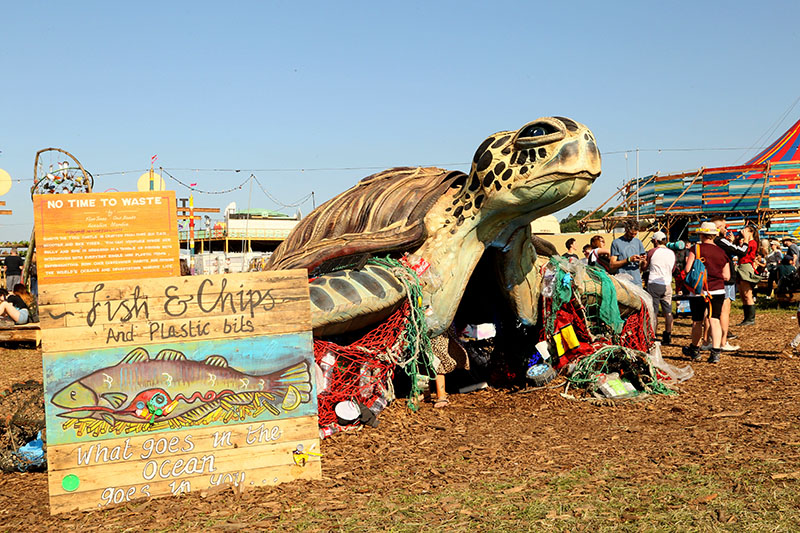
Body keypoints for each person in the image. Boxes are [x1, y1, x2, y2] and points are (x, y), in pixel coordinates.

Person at [681, 222, 730, 364]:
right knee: (714, 320)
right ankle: (715, 353)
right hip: (718, 290)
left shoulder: (696, 248)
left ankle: (695, 351)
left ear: (701, 234)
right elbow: (726, 276)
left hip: (699, 290)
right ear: (714, 235)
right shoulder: (722, 252)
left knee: (697, 321)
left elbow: (687, 269)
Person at [711, 217, 745, 351]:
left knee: (711, 312)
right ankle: (723, 342)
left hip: (712, 280)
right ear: (718, 228)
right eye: (725, 226)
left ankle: (708, 340)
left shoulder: (707, 243)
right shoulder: (720, 240)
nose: (727, 229)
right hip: (726, 278)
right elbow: (740, 251)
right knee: (724, 311)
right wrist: (746, 241)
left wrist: (730, 242)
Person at [644, 231, 675, 345]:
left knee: (654, 312)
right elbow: (673, 268)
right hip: (667, 283)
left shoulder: (652, 251)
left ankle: (653, 335)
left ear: (656, 241)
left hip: (654, 283)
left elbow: (644, 266)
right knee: (668, 311)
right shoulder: (671, 253)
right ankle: (668, 334)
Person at [429, 325, 469, 408]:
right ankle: (424, 392)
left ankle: (441, 395)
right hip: (423, 322)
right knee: (421, 355)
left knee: (439, 354)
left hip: (439, 324)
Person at [736, 225, 761, 326]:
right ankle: (747, 317)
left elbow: (745, 253)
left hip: (746, 266)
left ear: (751, 232)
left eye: (745, 230)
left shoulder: (752, 243)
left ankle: (750, 318)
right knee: (742, 294)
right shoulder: (746, 242)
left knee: (747, 294)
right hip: (741, 265)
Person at [609, 220, 646, 286]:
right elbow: (612, 265)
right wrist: (628, 260)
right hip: (623, 283)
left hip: (637, 282)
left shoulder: (638, 242)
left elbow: (643, 267)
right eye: (631, 233)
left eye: (635, 234)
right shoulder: (616, 243)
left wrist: (644, 260)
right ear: (626, 230)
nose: (633, 236)